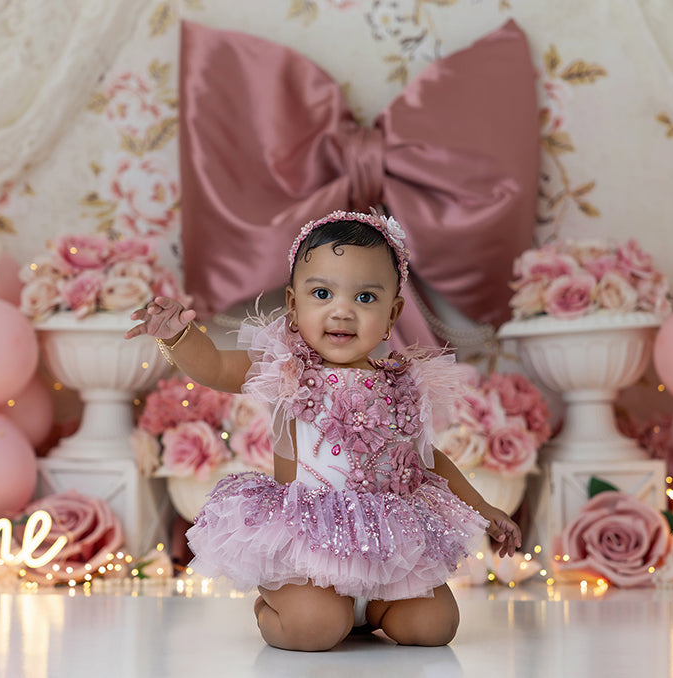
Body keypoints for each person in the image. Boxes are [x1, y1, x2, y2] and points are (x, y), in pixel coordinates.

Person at [125, 210, 521, 652]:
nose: (342, 311)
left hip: (386, 552)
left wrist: (485, 508)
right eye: (322, 293)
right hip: (308, 552)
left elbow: (426, 461)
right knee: (314, 628)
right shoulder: (285, 368)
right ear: (294, 305)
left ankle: (370, 612)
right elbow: (215, 366)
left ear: (392, 313)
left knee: (434, 626)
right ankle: (280, 608)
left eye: (365, 297)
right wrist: (178, 338)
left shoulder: (403, 384)